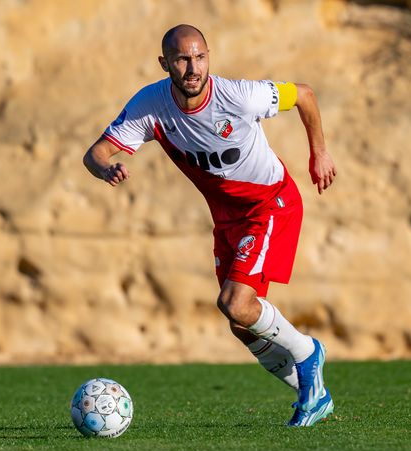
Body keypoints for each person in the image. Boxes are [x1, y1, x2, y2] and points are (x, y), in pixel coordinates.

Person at [83, 24, 337, 427]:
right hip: (228, 220)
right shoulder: (151, 106)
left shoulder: (238, 96)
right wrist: (105, 169)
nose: (192, 68)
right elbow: (95, 153)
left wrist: (318, 154)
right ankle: (312, 393)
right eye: (182, 59)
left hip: (272, 204)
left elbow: (304, 95)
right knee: (242, 323)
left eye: (200, 57)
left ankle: (308, 356)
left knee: (233, 302)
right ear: (165, 63)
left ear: (208, 57)